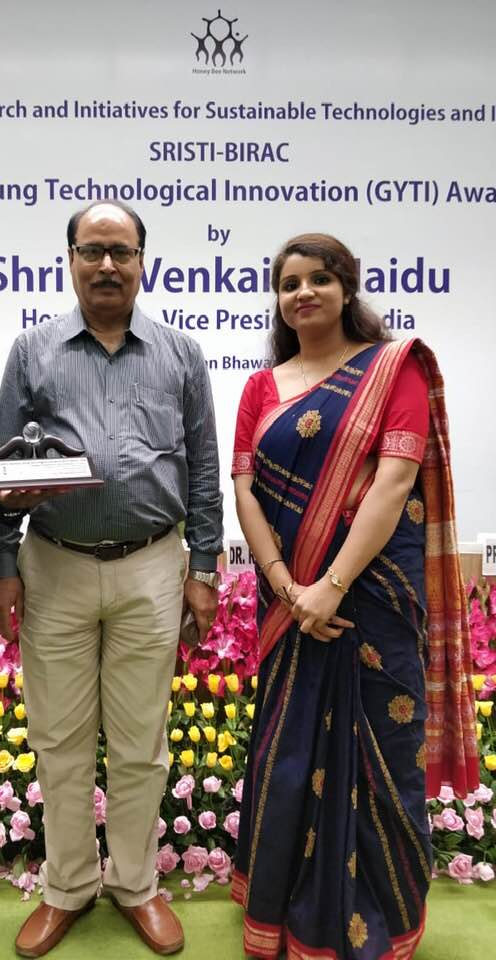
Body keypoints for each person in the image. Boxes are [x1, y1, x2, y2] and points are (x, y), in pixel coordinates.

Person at [230, 233, 479, 959]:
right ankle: (284, 916)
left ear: (346, 289)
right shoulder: (261, 388)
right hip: (290, 601)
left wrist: (330, 586)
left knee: (382, 755)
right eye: (289, 284)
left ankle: (383, 918)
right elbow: (244, 491)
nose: (303, 293)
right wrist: (288, 588)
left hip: (372, 598)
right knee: (288, 757)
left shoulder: (393, 369)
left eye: (319, 279)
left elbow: (395, 483)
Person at [0, 199, 223, 957]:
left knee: (140, 744)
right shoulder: (33, 351)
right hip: (53, 563)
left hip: (152, 566)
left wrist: (205, 568)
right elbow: (1, 467)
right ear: (70, 260)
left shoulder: (181, 353)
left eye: (121, 251)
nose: (107, 265)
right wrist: (2, 565)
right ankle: (66, 887)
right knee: (57, 740)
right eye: (92, 250)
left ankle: (134, 884)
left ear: (143, 262)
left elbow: (204, 468)